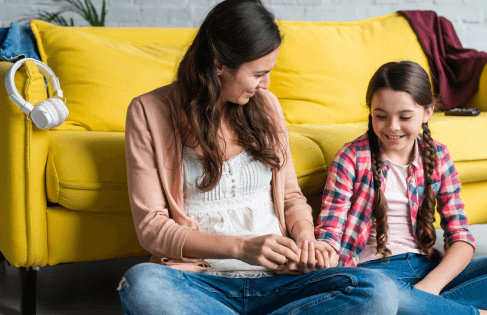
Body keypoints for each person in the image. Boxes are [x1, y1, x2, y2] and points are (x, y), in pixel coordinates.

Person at [117, 1, 399, 314]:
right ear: (219, 63)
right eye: (258, 74)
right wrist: (242, 247)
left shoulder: (266, 105)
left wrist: (307, 240)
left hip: (278, 281)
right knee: (141, 284)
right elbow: (153, 229)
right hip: (201, 282)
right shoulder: (148, 111)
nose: (265, 84)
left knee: (378, 289)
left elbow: (292, 197)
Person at [315, 60, 487, 315]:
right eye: (380, 116)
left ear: (428, 112)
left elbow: (460, 237)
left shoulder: (437, 156)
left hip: (427, 267)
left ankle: (421, 308)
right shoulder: (350, 158)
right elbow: (330, 232)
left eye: (404, 117)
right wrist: (321, 254)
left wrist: (430, 288)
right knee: (379, 297)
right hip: (376, 275)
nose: (392, 126)